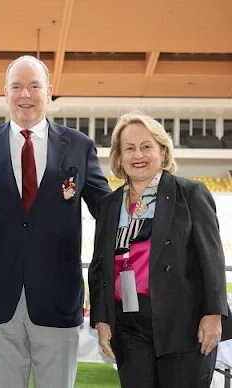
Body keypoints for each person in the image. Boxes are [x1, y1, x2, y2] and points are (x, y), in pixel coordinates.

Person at [0, 55, 112, 388]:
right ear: (5, 92)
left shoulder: (78, 146)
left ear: (49, 91)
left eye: (34, 86)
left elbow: (108, 211)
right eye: (16, 86)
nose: (25, 95)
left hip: (58, 298)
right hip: (0, 298)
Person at [88, 112, 229, 387]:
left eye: (146, 146)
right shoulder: (109, 205)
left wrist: (214, 315)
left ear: (162, 150)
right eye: (129, 148)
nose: (137, 155)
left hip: (183, 326)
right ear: (119, 156)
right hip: (128, 328)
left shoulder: (190, 194)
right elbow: (99, 267)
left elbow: (211, 260)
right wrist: (102, 320)